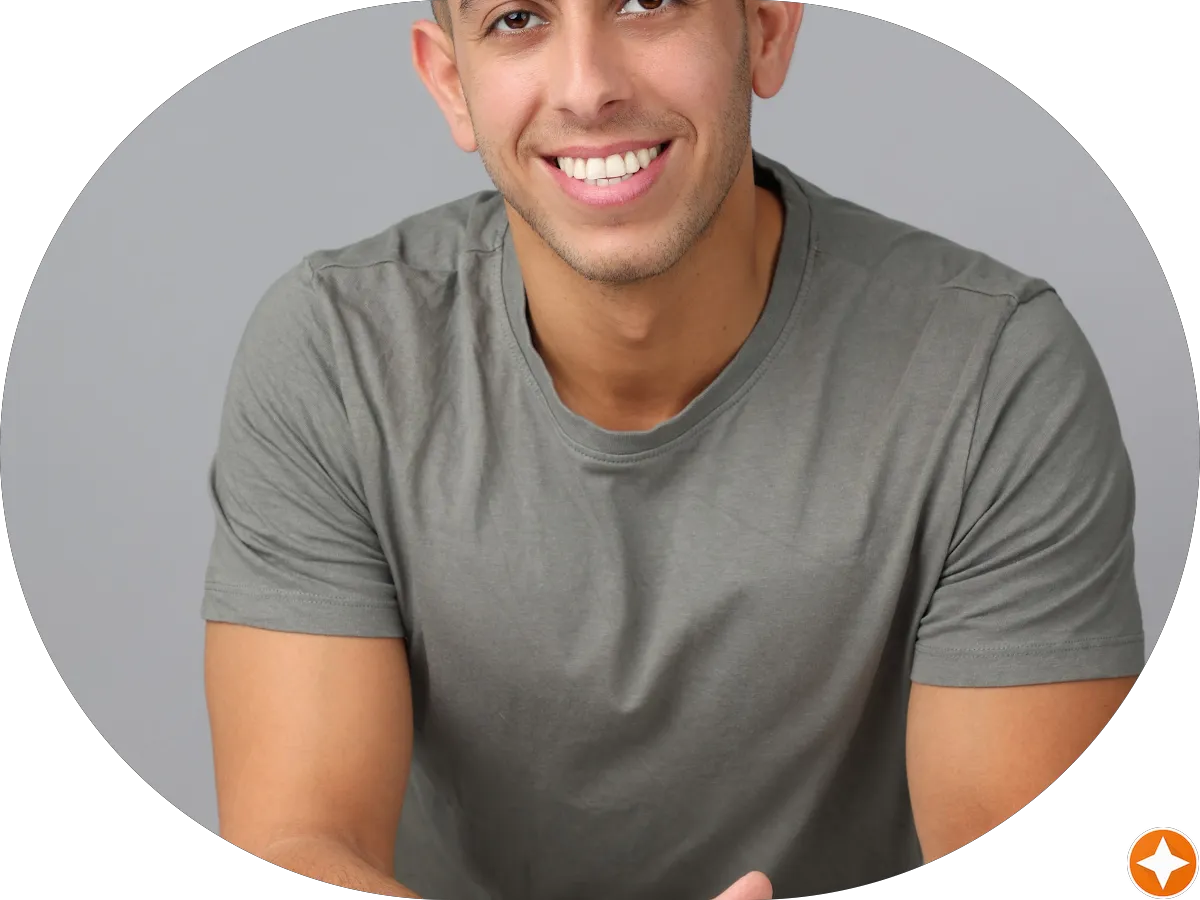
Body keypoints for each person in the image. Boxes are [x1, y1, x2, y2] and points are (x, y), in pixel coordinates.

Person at [200, 2, 1146, 898]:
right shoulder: (339, 354)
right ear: (452, 81)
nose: (588, 87)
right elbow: (298, 841)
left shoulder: (991, 372)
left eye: (648, 3)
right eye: (517, 19)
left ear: (764, 31)